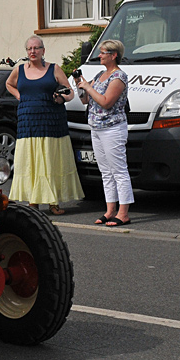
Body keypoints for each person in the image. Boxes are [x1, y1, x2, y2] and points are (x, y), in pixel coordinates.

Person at [5, 35, 83, 214]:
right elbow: (9, 84)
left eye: (36, 48)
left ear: (43, 51)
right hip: (28, 122)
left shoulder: (54, 68)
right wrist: (19, 96)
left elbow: (70, 92)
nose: (33, 51)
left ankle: (53, 202)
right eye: (30, 49)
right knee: (31, 162)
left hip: (51, 122)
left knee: (50, 160)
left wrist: (61, 98)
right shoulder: (19, 70)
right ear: (27, 52)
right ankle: (33, 201)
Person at [76, 39, 132, 227]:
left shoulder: (118, 77)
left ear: (114, 55)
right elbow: (86, 101)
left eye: (103, 52)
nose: (99, 55)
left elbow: (106, 101)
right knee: (105, 172)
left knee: (119, 170)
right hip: (97, 128)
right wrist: (80, 85)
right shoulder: (100, 74)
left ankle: (123, 213)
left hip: (113, 128)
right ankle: (110, 210)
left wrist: (89, 88)